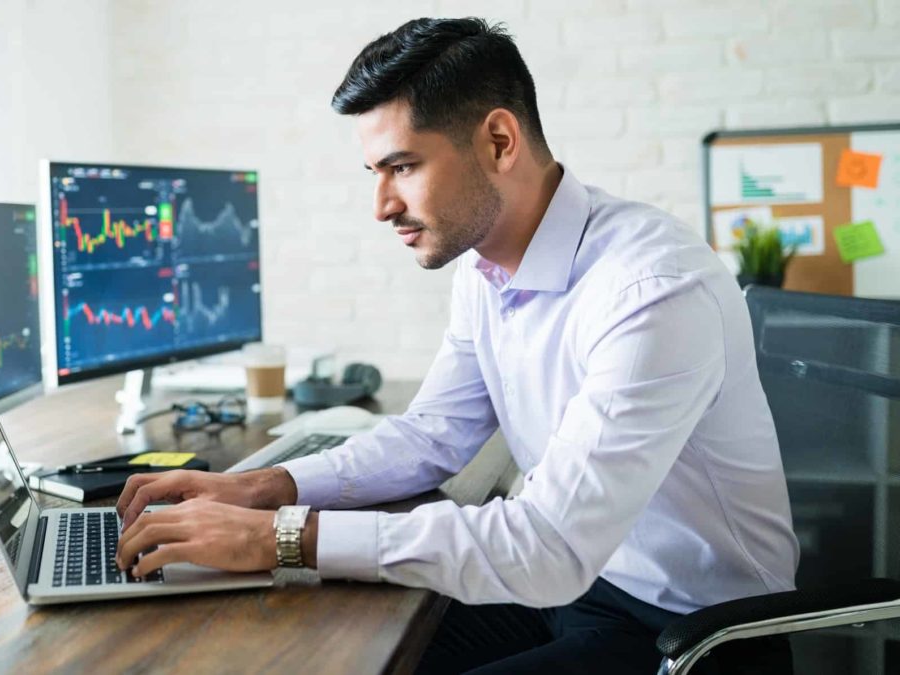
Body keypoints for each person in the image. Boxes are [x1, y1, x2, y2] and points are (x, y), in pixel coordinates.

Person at [116, 17, 798, 674]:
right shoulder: (487, 269)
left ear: (499, 141)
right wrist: (264, 488)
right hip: (576, 591)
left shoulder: (652, 289)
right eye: (374, 173)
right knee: (326, 641)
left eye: (402, 167)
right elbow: (431, 436)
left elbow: (549, 544)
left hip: (693, 635)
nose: (381, 204)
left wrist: (280, 537)